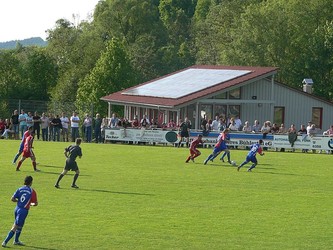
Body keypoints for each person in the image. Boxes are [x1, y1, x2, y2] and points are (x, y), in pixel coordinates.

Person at [2, 176, 38, 247]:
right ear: (31, 182)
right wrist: (31, 204)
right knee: (15, 226)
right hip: (23, 211)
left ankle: (16, 241)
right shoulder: (32, 191)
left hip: (17, 209)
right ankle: (5, 242)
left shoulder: (20, 189)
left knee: (20, 225)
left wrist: (18, 201)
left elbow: (12, 199)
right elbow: (35, 203)